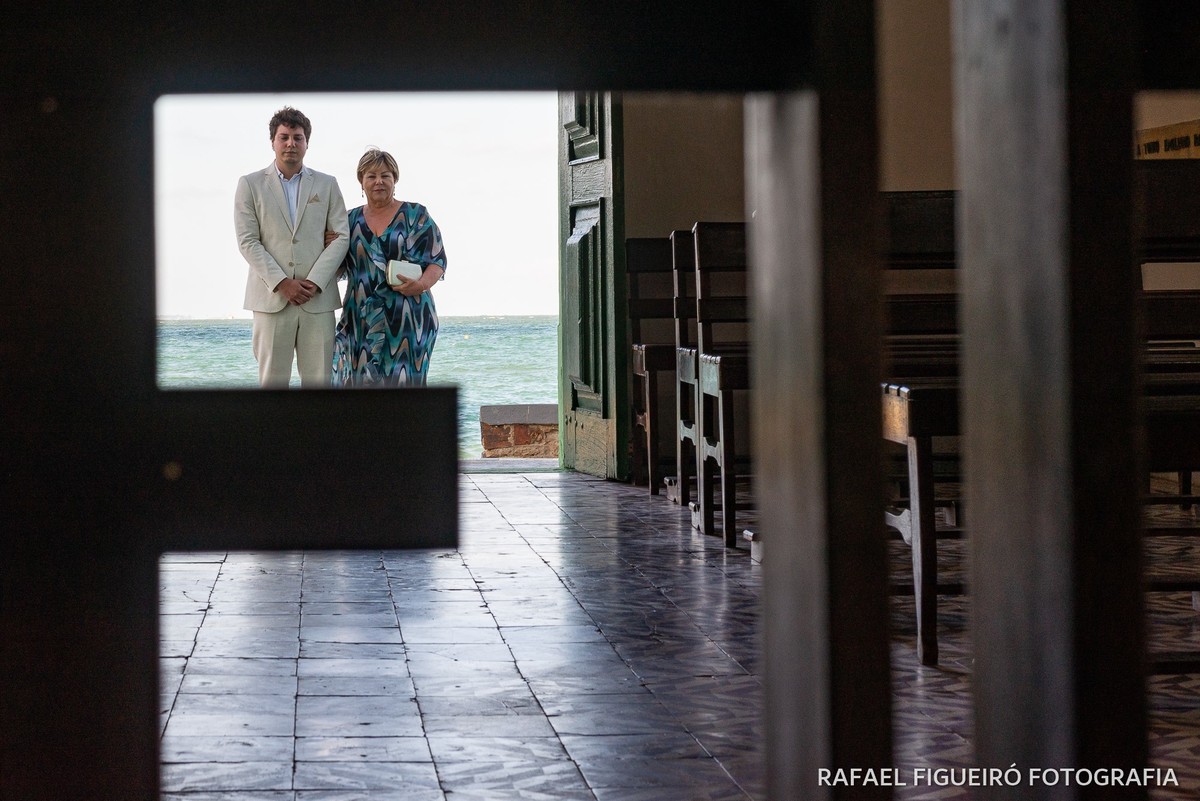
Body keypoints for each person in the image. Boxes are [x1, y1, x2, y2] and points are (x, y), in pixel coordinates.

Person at [235, 106, 349, 388]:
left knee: (319, 385)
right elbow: (248, 241)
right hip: (271, 300)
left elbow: (341, 237)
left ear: (307, 142)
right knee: (272, 385)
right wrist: (282, 283)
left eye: (298, 138)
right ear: (272, 141)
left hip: (317, 300)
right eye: (284, 137)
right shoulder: (249, 184)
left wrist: (314, 282)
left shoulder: (327, 184)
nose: (290, 144)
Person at [331, 147, 447, 387]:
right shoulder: (348, 220)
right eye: (371, 176)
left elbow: (437, 261)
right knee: (356, 389)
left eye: (385, 175)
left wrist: (421, 285)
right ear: (361, 181)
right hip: (359, 320)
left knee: (405, 390)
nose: (379, 181)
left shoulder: (415, 214)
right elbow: (337, 267)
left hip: (409, 319)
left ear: (395, 179)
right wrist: (327, 245)